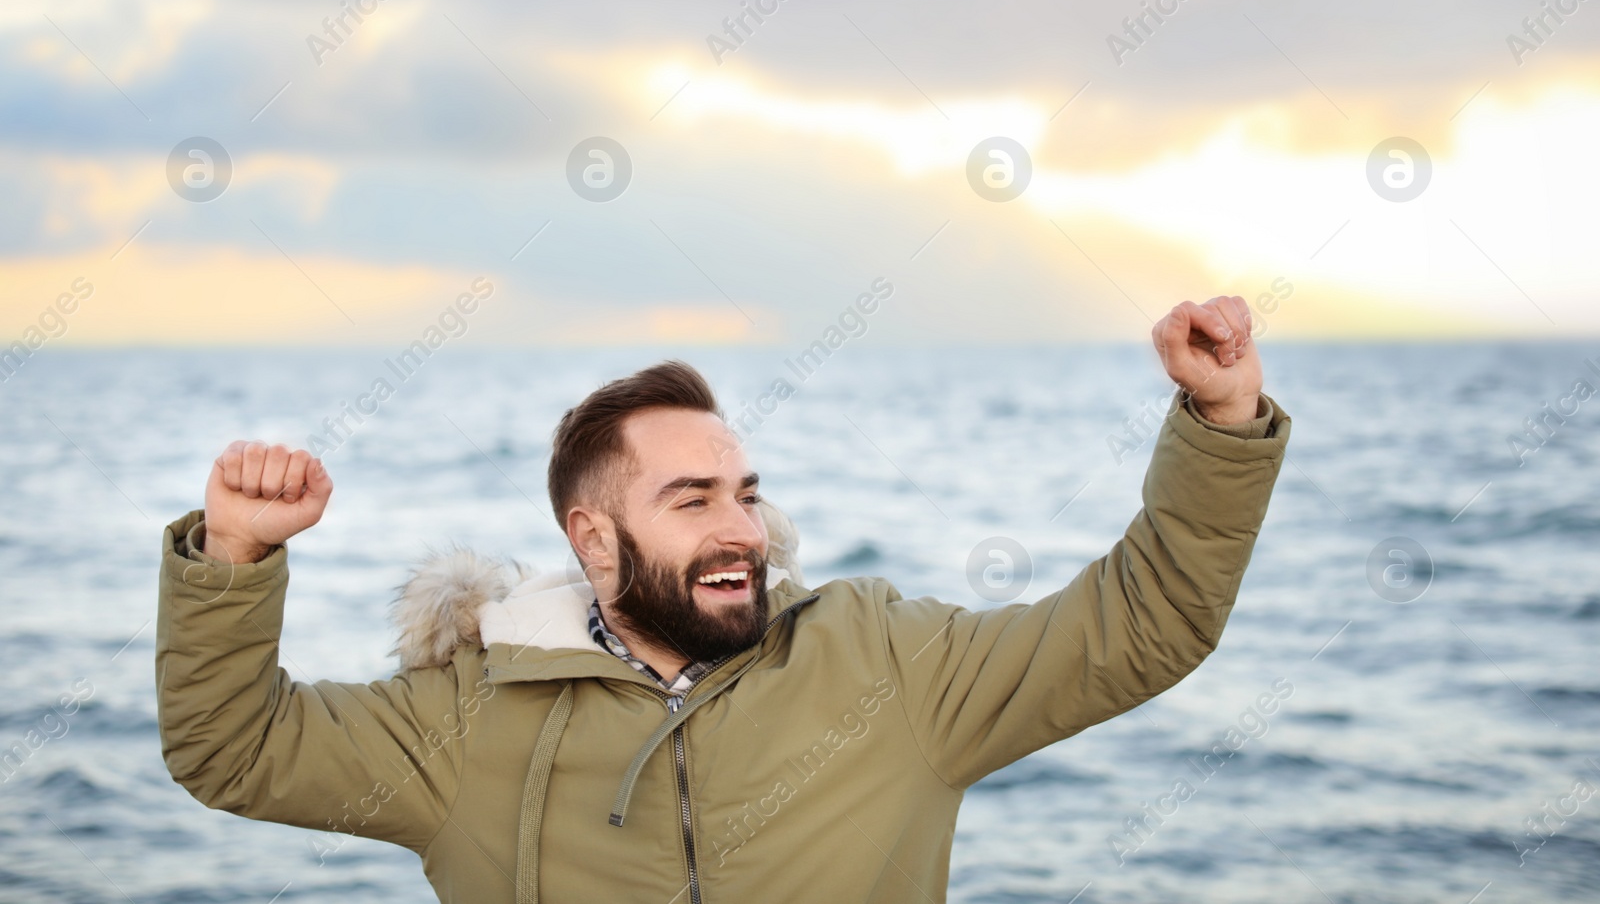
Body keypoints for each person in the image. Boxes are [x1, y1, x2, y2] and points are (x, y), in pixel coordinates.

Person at [156, 295, 1289, 903]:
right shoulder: (463, 718)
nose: (741, 525)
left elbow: (1142, 627)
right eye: (691, 497)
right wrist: (235, 556)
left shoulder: (886, 663)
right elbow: (234, 749)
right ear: (592, 536)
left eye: (744, 492)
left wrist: (1221, 424)